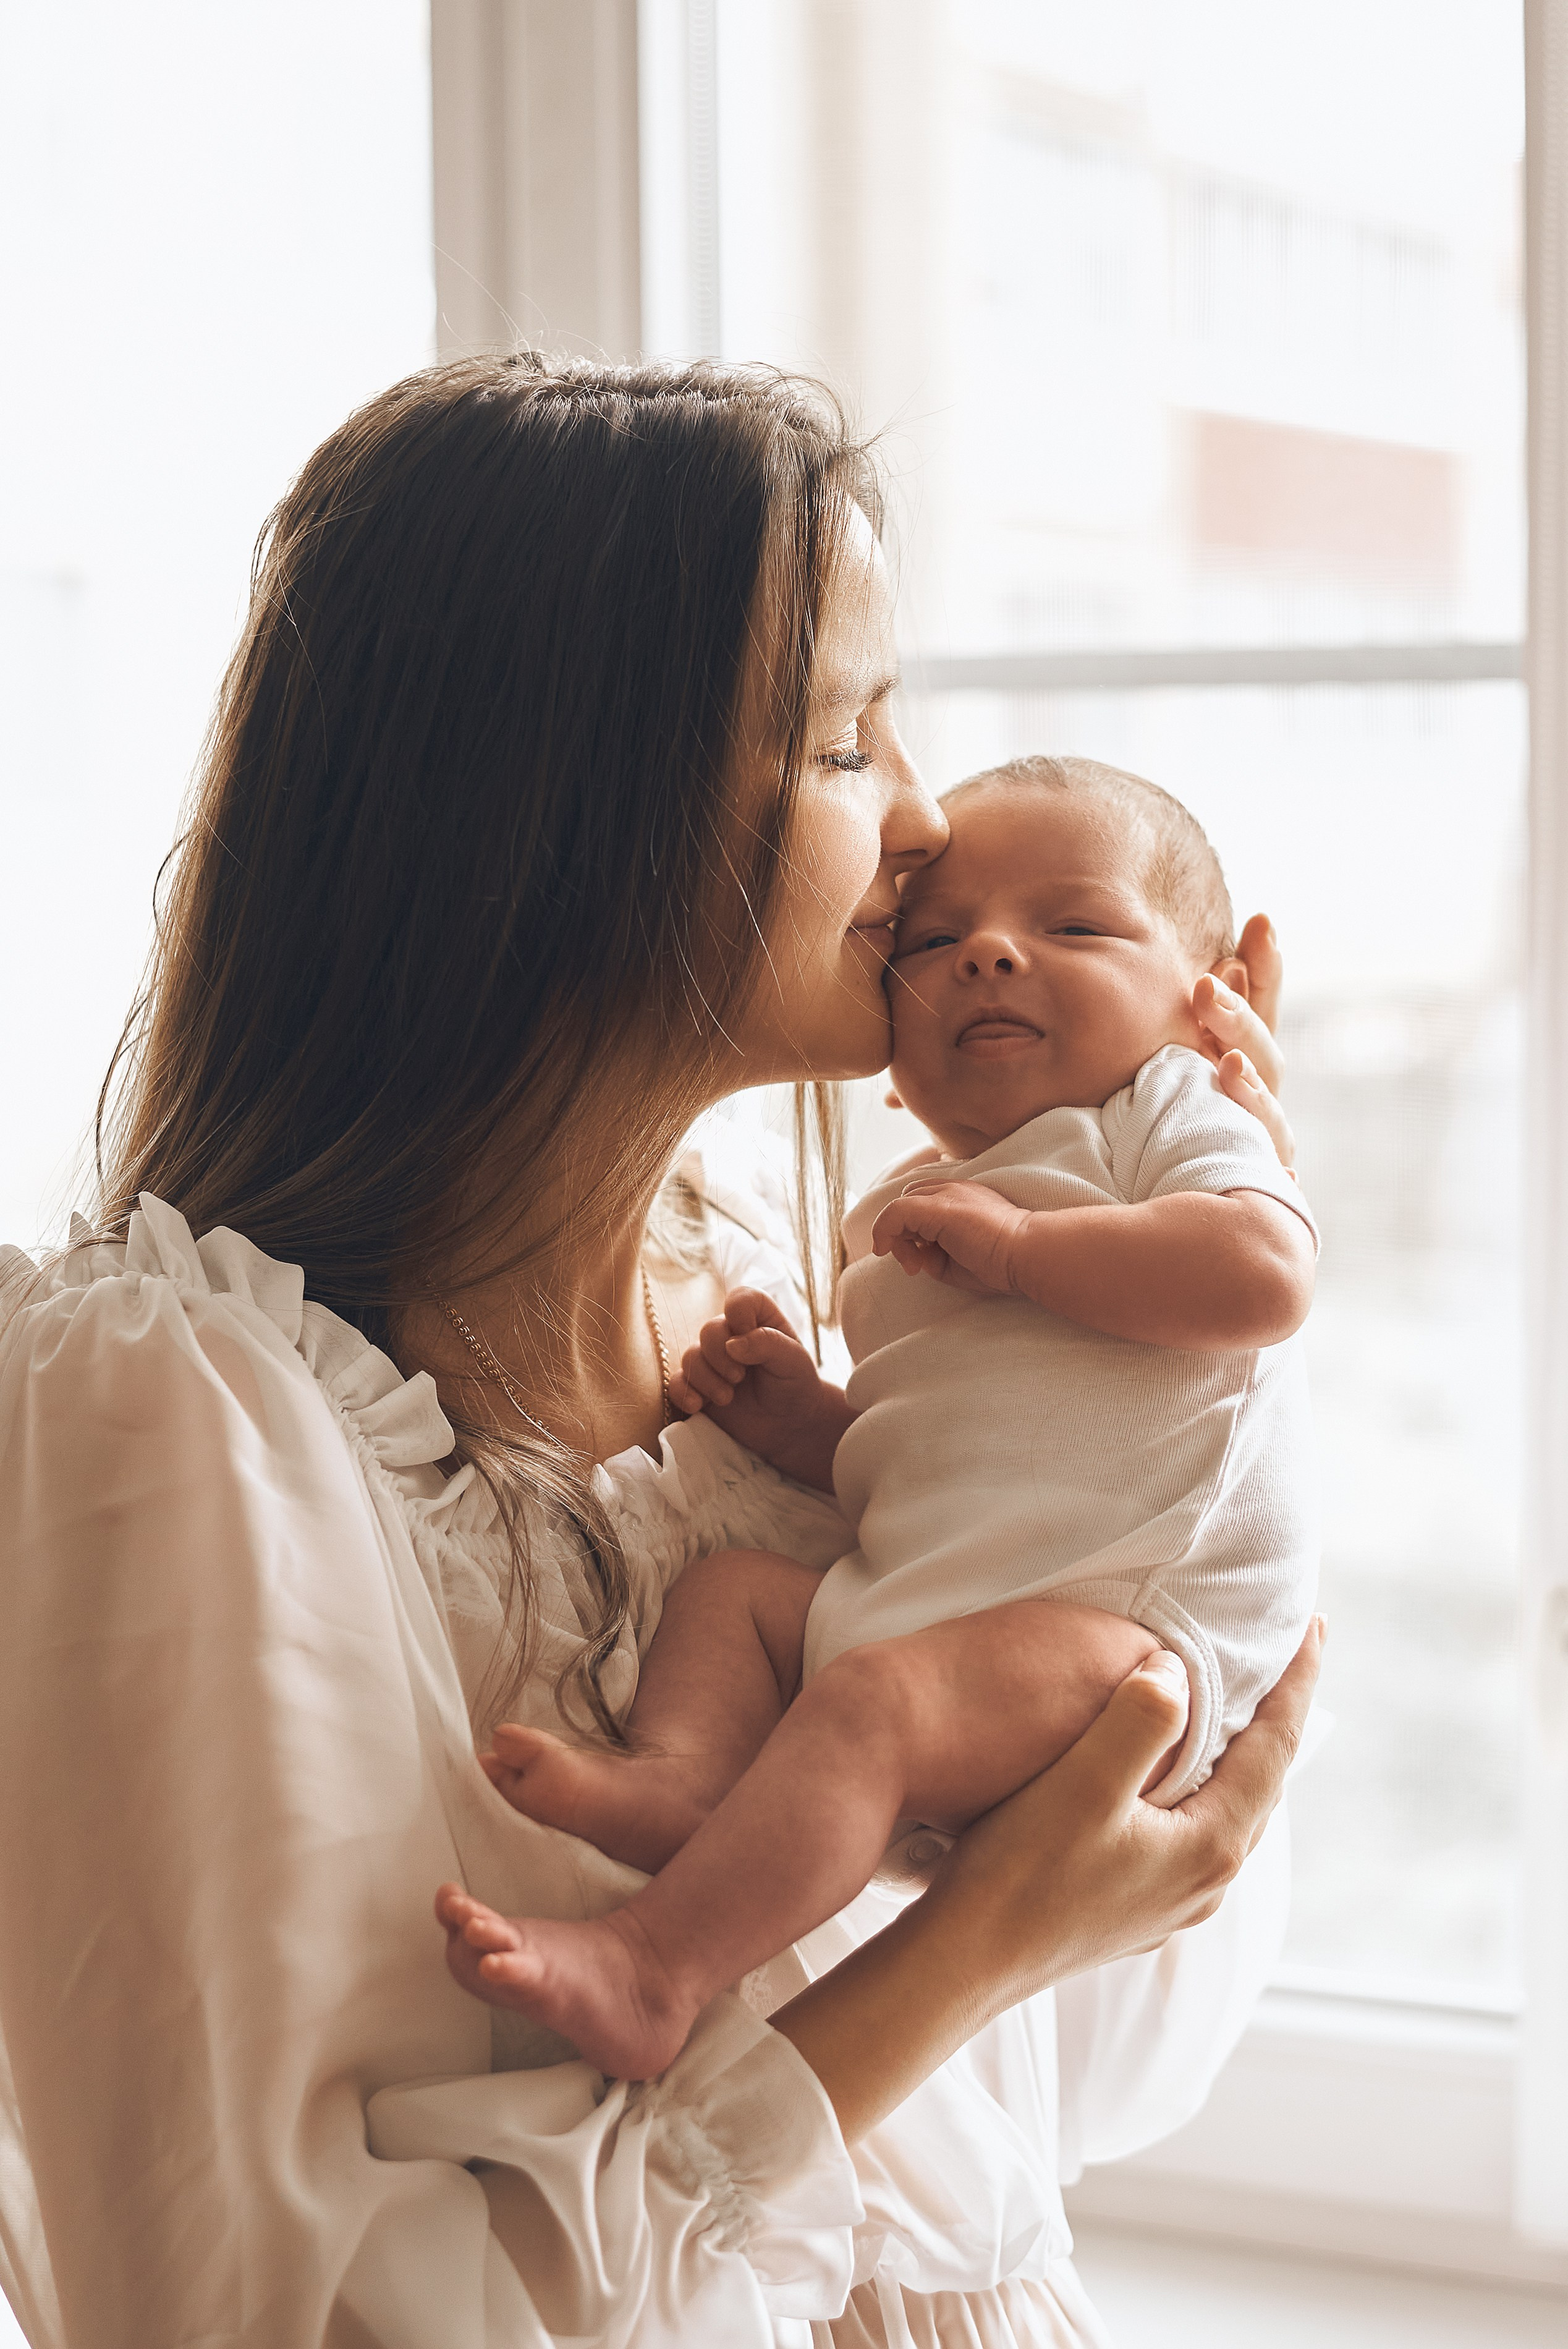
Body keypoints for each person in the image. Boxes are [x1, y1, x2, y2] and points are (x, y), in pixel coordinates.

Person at [0, 354, 1320, 2349]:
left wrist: (1175, 1351)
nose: (930, 813)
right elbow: (304, 2316)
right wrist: (958, 1953)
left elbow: (1092, 2069)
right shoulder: (179, 1428)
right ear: (555, 815)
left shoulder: (753, 1317)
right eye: (836, 735)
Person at [438, 755, 1320, 2084]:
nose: (991, 957)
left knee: (875, 1698)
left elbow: (1265, 1277)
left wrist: (1024, 1248)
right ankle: (691, 1773)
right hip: (972, 1609)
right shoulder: (904, 1207)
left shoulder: (1167, 1117)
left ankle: (653, 1967)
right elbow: (943, 1459)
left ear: (1208, 1006)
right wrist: (810, 1422)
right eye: (939, 938)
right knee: (741, 1593)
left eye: (1073, 926)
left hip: (1132, 1630)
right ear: (897, 1079)